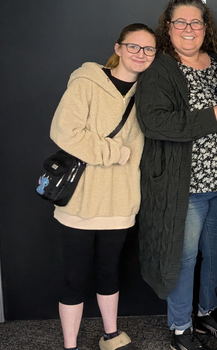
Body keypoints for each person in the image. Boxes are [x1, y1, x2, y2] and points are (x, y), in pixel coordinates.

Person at [135, 0, 217, 350]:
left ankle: (206, 311)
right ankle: (180, 327)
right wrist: (210, 117)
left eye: (196, 22)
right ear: (168, 27)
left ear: (206, 27)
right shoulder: (160, 68)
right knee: (183, 259)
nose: (188, 28)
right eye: (180, 22)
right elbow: (153, 122)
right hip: (183, 188)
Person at [50, 23, 156, 350]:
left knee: (110, 272)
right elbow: (63, 131)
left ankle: (110, 335)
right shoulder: (87, 82)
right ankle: (70, 345)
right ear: (118, 48)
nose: (140, 54)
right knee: (75, 277)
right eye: (133, 46)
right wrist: (115, 153)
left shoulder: (149, 93)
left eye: (148, 49)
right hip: (80, 202)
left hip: (120, 202)